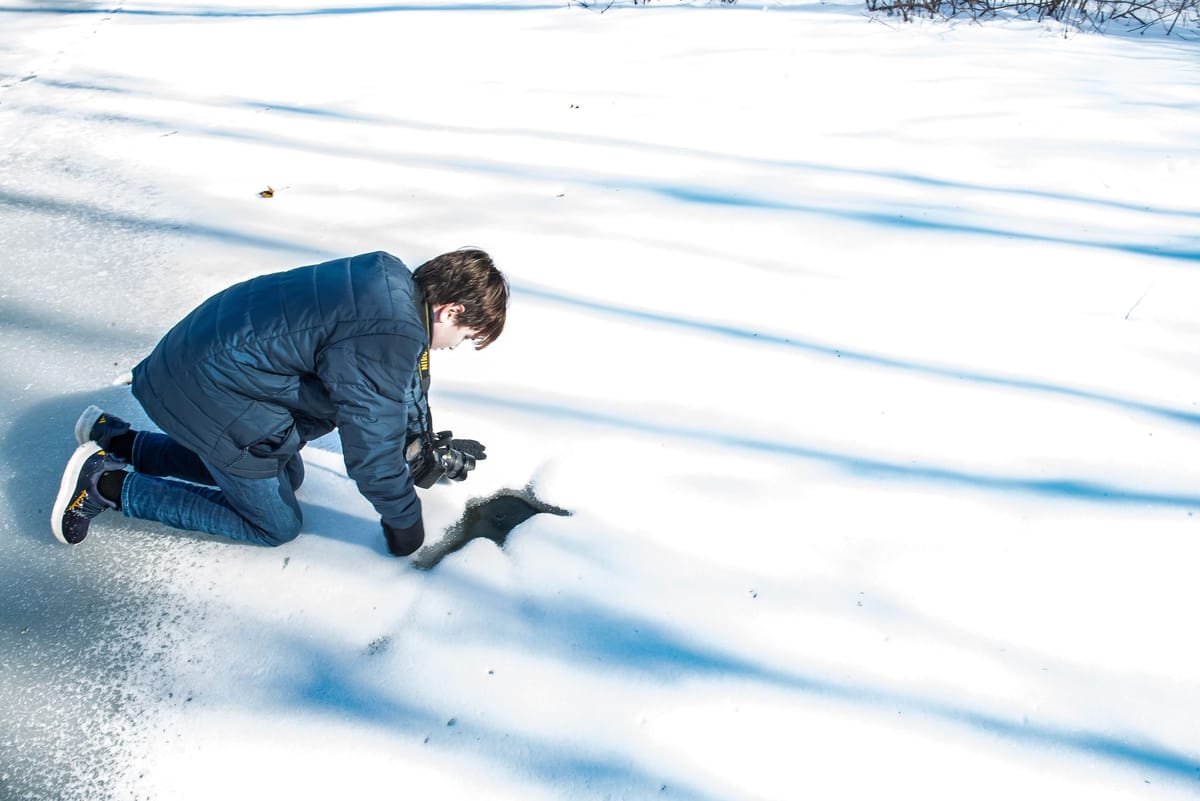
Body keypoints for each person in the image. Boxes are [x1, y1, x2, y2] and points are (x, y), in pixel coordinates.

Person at [51, 249, 509, 557]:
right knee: (276, 525)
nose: (452, 347)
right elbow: (370, 453)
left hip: (193, 365)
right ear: (451, 311)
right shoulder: (392, 332)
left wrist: (425, 447)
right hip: (208, 392)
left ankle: (122, 442)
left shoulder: (388, 281)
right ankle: (107, 485)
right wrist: (405, 525)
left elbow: (399, 384)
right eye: (465, 337)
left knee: (289, 472)